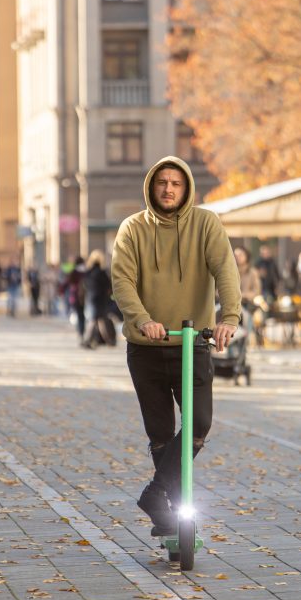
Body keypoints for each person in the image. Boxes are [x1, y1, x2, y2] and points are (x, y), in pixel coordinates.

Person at [112, 156, 241, 537]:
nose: (168, 189)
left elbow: (226, 271)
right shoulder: (132, 229)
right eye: (162, 183)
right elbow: (122, 282)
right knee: (161, 434)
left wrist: (229, 318)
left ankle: (154, 494)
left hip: (192, 343)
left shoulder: (206, 223)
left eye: (176, 183)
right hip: (146, 346)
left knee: (198, 427)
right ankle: (166, 513)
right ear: (151, 186)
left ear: (186, 189)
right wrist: (143, 320)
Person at [81, 250, 114, 349]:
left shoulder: (88, 272)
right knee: (98, 320)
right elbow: (109, 286)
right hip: (101, 300)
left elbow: (84, 285)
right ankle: (106, 340)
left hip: (90, 298)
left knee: (95, 320)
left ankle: (92, 340)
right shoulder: (103, 273)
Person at [60, 257, 87, 339]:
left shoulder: (73, 272)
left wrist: (61, 291)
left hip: (76, 297)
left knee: (79, 315)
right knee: (84, 315)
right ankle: (83, 330)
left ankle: (80, 332)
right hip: (86, 297)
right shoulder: (87, 272)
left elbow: (67, 283)